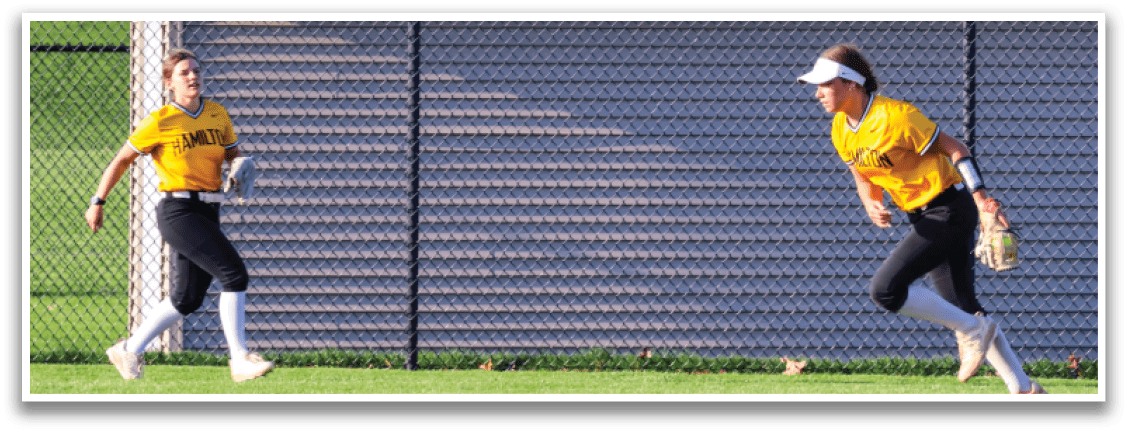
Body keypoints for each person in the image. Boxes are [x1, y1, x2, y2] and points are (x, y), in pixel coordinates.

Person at [796, 44, 1045, 394]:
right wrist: (871, 203)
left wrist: (982, 197)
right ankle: (1024, 389)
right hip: (921, 216)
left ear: (852, 83)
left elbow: (956, 148)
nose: (818, 93)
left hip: (949, 209)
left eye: (825, 84)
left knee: (886, 290)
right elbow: (861, 173)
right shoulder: (841, 127)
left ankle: (971, 332)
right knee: (964, 307)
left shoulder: (896, 117)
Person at [85, 48, 274, 383]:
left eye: (196, 70)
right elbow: (121, 161)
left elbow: (233, 153)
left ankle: (130, 348)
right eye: (184, 72)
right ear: (169, 82)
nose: (193, 77)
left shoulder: (217, 114)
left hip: (208, 208)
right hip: (178, 210)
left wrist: (238, 166)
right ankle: (240, 359)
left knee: (186, 298)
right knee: (234, 274)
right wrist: (98, 201)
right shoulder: (160, 120)